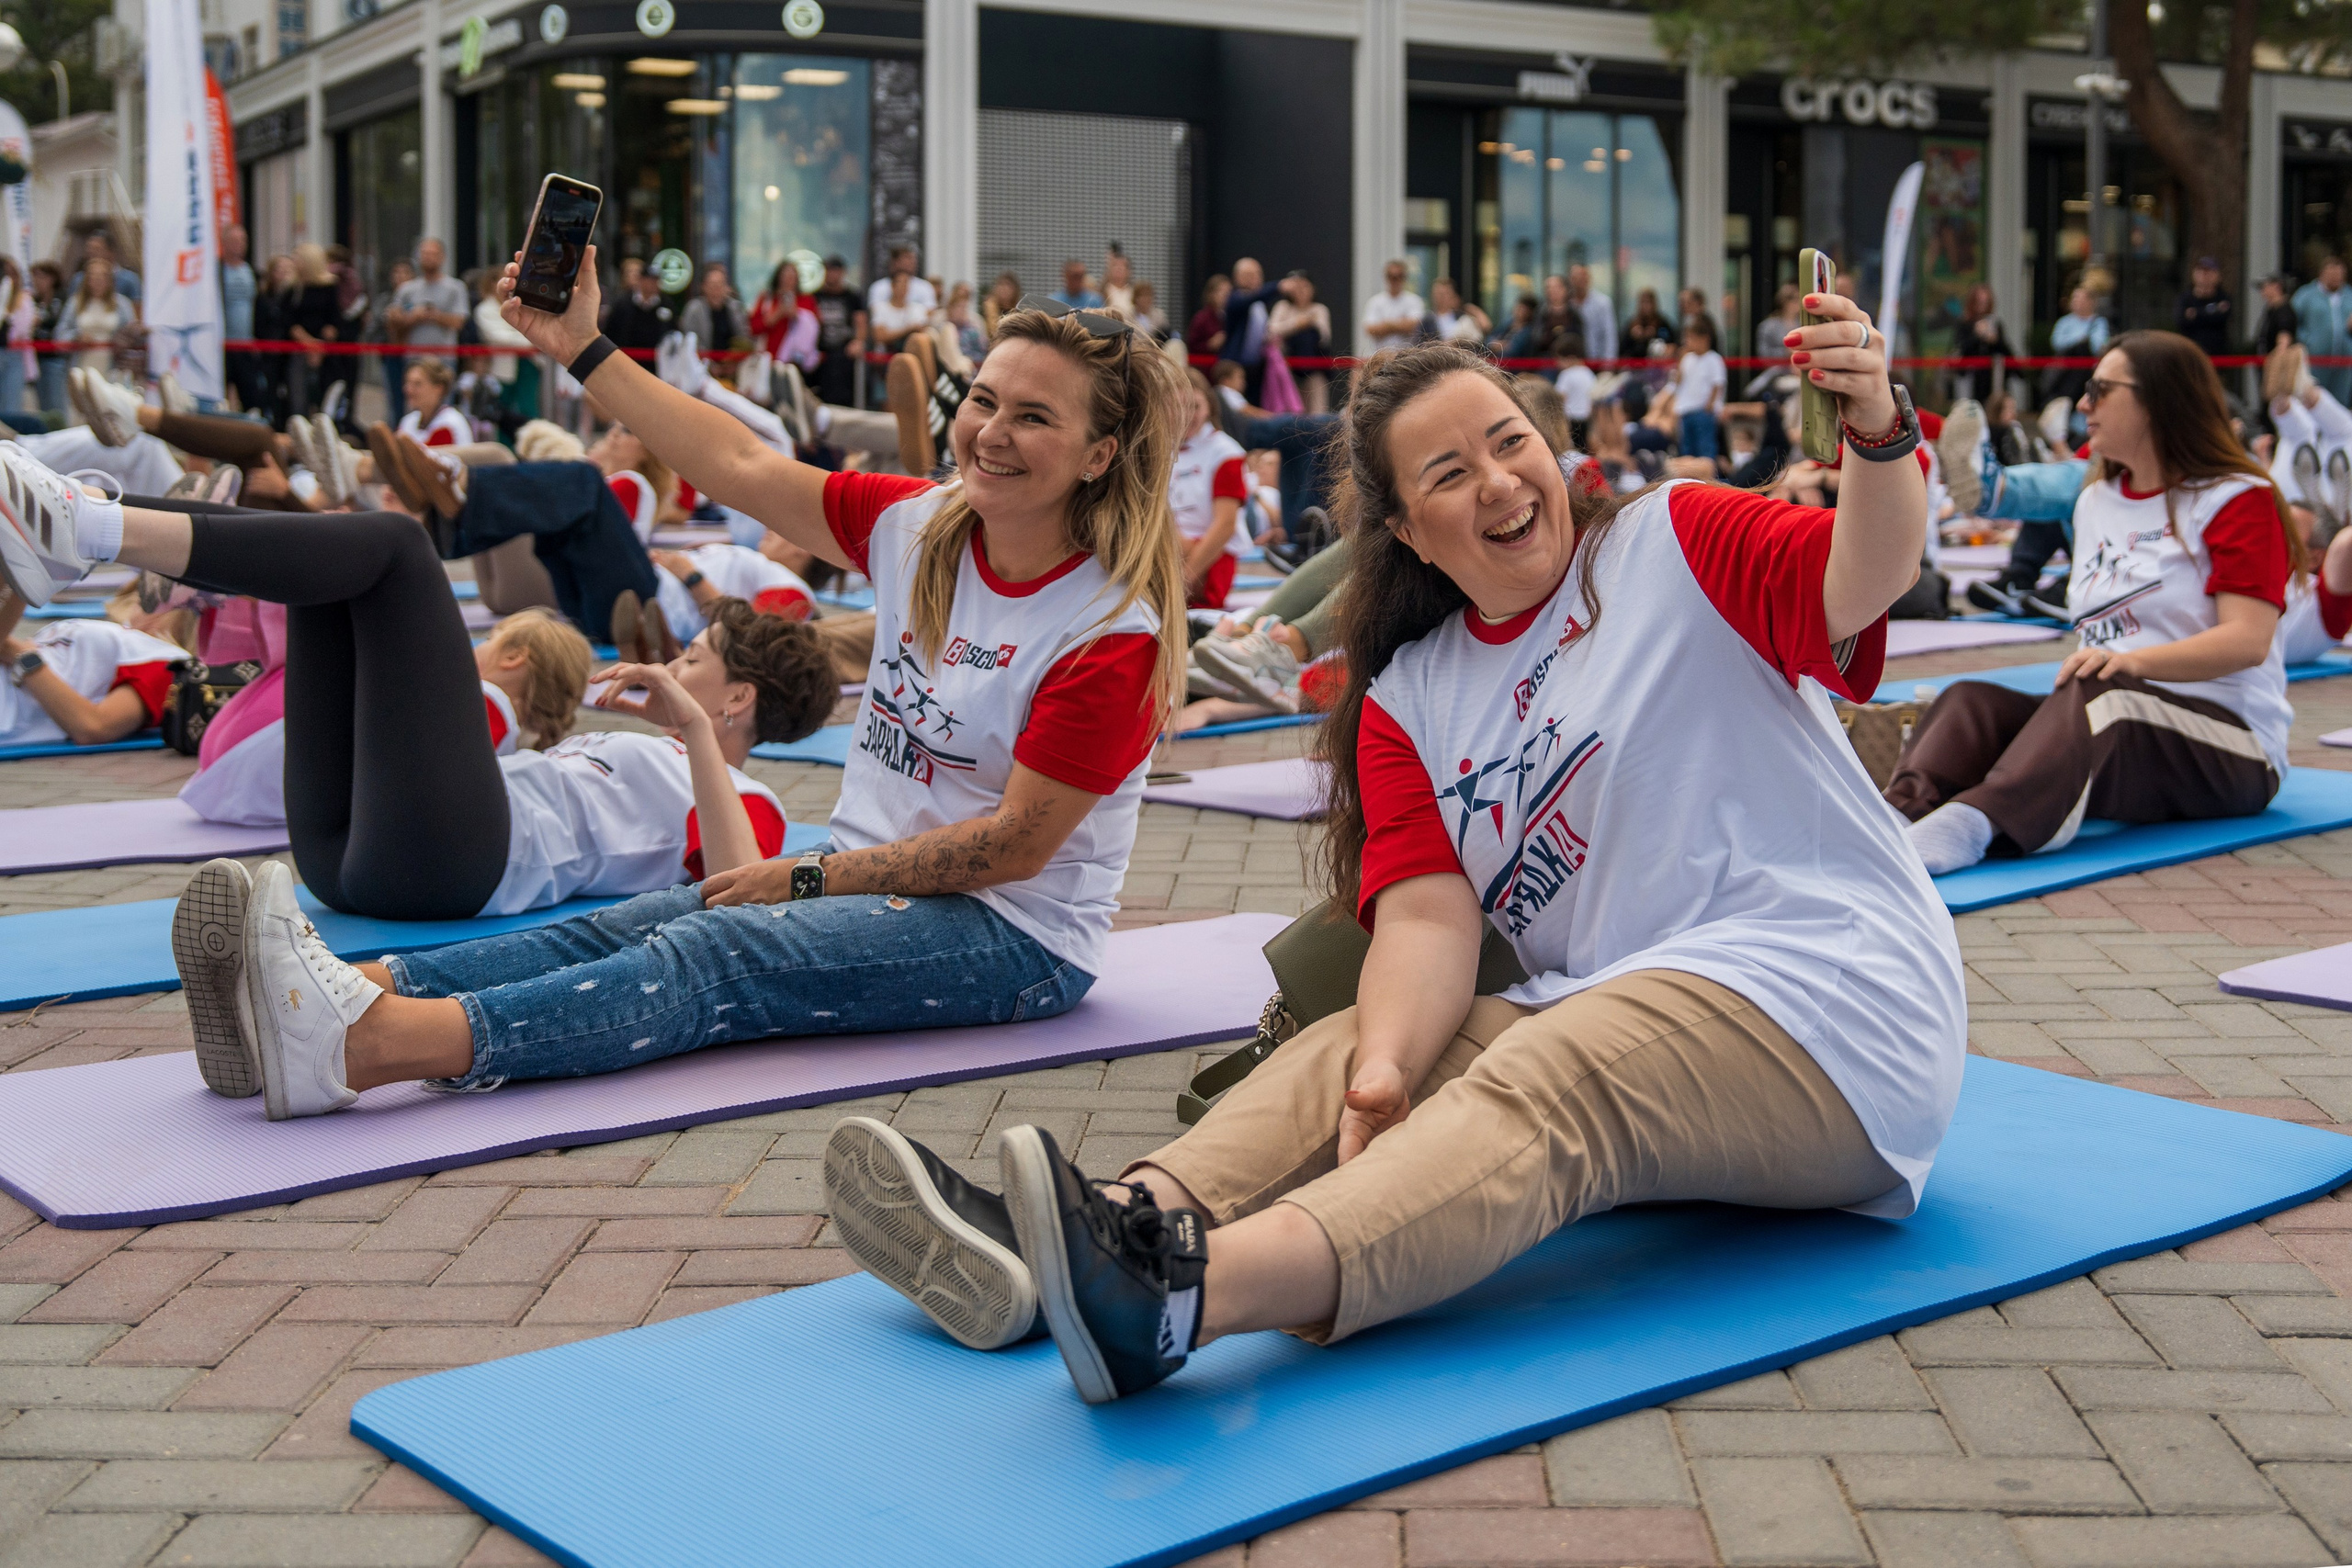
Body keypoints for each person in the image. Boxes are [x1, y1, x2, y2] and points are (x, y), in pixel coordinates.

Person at [821, 299, 1963, 1404]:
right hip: (1622, 1006)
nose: (1501, 483)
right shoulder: (1410, 698)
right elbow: (1425, 924)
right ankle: (1091, 1235)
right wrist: (1382, 1072)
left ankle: (1176, 1298)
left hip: (1832, 1000)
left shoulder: (1674, 542)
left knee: (1547, 1081)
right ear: (1407, 529)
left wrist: (1875, 428)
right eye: (1449, 474)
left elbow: (1862, 576)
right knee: (1343, 1048)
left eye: (1509, 444)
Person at [0, 266, 1194, 1125]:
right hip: (870, 879)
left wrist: (811, 870)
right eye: (983, 398)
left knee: (711, 959)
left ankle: (369, 1048)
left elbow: (1012, 846)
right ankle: (346, 990)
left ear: (1099, 454)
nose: (988, 429)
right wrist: (579, 345)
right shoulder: (920, 523)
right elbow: (732, 461)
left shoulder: (1107, 632)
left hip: (1013, 940)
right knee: (623, 924)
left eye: (1033, 415)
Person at [1888, 331, 2306, 876]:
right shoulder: (2094, 501)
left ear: (2159, 401)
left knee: (2101, 692)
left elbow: (2248, 641)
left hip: (2230, 746)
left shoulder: (2234, 498)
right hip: (2115, 717)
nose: (2084, 403)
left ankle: (1974, 824)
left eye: (2100, 389)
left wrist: (2132, 663)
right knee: (1969, 701)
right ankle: (1894, 821)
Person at [183, 604, 593, 830]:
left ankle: (227, 585)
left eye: (490, 639)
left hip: (253, 766)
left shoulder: (488, 703)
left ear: (513, 657)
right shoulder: (487, 714)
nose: (477, 645)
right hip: (250, 768)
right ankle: (224, 589)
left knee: (328, 630)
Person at [0, 593, 186, 749]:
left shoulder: (166, 662)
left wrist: (23, 657)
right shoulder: (134, 641)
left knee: (17, 563)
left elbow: (95, 727)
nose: (137, 599)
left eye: (152, 595)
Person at [1171, 368, 1250, 609]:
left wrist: (1181, 581)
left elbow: (1224, 527)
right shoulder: (1162, 450)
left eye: (1194, 406)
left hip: (1211, 561)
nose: (1187, 415)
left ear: (1209, 407)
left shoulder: (1225, 452)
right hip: (1172, 553)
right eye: (1178, 406)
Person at [284, 244, 343, 418]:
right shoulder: (293, 289)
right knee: (298, 396)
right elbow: (288, 321)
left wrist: (320, 347)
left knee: (323, 395)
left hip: (325, 350)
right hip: (299, 348)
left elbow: (335, 319)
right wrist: (309, 343)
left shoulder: (329, 286)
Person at [1269, 272, 1333, 414]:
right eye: (1297, 287)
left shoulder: (1319, 309)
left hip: (1315, 368)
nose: (1301, 291)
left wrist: (1306, 326)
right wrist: (1298, 324)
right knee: (1292, 413)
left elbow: (1324, 337)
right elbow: (1272, 330)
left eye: (1305, 286)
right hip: (1288, 368)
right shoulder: (1283, 307)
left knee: (1317, 414)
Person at [2294, 257, 2352, 404]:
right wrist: (2307, 340)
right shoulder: (2306, 295)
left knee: (2340, 402)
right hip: (2315, 361)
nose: (2336, 279)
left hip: (2344, 361)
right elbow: (2292, 321)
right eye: (2332, 275)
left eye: (2339, 275)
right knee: (2314, 400)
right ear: (2322, 274)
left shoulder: (2349, 295)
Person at [2047, 286, 2111, 419]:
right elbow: (2056, 343)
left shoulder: (2099, 323)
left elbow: (2100, 346)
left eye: (2080, 299)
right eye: (2074, 298)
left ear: (2090, 302)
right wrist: (2079, 339)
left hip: (2087, 375)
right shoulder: (2064, 322)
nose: (2076, 302)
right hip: (2067, 377)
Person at [1668, 318, 1726, 460]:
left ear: (1705, 339)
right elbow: (1678, 381)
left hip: (1703, 412)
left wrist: (1710, 406)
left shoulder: (1714, 359)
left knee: (1705, 450)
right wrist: (1680, 360)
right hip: (1686, 411)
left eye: (1692, 338)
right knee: (1687, 450)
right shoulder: (1687, 359)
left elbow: (1717, 384)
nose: (1688, 342)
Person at [219, 226, 263, 415]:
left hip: (245, 343)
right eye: (235, 241)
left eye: (243, 240)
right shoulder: (218, 271)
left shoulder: (249, 271)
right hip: (223, 344)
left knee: (250, 394)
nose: (240, 245)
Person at [65, 256, 130, 379]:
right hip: (81, 364)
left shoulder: (122, 304)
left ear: (110, 280)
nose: (98, 281)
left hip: (111, 367)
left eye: (102, 276)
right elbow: (61, 333)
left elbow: (129, 333)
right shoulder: (75, 303)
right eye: (93, 276)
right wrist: (76, 337)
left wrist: (119, 341)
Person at [867, 244, 936, 357]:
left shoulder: (920, 297)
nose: (912, 262)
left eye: (906, 285)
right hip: (891, 349)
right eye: (907, 258)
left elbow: (927, 321)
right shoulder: (879, 291)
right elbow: (879, 334)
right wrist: (907, 329)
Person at [1951, 284, 2015, 403]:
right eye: (1979, 302)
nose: (1982, 306)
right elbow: (1960, 349)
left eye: (1985, 302)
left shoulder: (1996, 324)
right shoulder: (1964, 323)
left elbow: (2007, 352)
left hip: (1991, 378)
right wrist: (1977, 335)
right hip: (1969, 378)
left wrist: (1994, 340)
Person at [750, 260, 818, 371]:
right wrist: (776, 315)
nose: (788, 281)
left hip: (796, 360)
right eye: (785, 276)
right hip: (769, 358)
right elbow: (753, 328)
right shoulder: (767, 300)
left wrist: (798, 316)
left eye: (792, 277)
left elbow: (814, 329)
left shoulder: (806, 300)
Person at [395, 358, 472, 448]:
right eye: (407, 383)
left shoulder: (452, 423)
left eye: (417, 384)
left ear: (439, 388)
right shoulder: (408, 421)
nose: (409, 390)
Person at [606, 264, 677, 356]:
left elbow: (673, 332)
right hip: (627, 359)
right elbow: (612, 332)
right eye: (649, 280)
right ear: (641, 280)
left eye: (655, 281)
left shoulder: (666, 304)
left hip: (658, 362)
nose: (652, 284)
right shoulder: (623, 304)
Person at [2176, 257, 2233, 360]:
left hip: (2217, 355)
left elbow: (2221, 319)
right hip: (2191, 354)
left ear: (2218, 276)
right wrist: (2212, 311)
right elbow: (2181, 321)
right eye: (2200, 271)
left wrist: (2196, 314)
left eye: (2209, 272)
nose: (2204, 276)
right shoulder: (2185, 299)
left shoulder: (2223, 298)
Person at [29, 263, 67, 416]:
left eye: (41, 277)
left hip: (54, 357)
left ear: (52, 278)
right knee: (43, 405)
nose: (37, 282)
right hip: (37, 357)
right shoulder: (34, 300)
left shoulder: (60, 298)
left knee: (56, 404)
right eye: (34, 277)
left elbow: (55, 322)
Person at [680, 264, 744, 354]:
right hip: (701, 363)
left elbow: (744, 337)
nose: (716, 290)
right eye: (712, 285)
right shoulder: (694, 309)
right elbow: (689, 340)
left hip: (731, 363)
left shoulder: (735, 308)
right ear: (704, 287)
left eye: (720, 285)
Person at [1362, 260, 1423, 352]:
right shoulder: (1375, 302)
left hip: (1407, 357)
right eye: (1392, 277)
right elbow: (1370, 329)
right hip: (1381, 357)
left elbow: (1414, 327)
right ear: (1386, 278)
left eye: (1399, 276)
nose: (1395, 280)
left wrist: (1386, 325)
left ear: (1405, 278)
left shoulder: (1414, 301)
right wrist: (1401, 324)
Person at [1566, 264, 1615, 366]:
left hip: (1597, 360)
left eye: (1583, 277)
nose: (1580, 281)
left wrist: (1609, 363)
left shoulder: (1602, 303)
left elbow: (1609, 334)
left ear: (1589, 279)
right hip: (1573, 361)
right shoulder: (1567, 304)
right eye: (1576, 277)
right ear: (1570, 280)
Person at [1420, 278, 1487, 344]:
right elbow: (1419, 343)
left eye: (1445, 293)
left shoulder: (1463, 317)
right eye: (1438, 293)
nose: (1441, 297)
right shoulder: (1427, 320)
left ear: (1453, 295)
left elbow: (1485, 328)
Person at [1620, 288, 1670, 367]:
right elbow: (1622, 350)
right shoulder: (1632, 324)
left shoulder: (1662, 323)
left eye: (1648, 302)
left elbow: (1671, 345)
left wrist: (1655, 335)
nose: (1646, 306)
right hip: (1634, 367)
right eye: (1643, 302)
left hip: (1657, 367)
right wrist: (1632, 336)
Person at [2255, 275, 2300, 358]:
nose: (2262, 291)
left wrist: (2276, 364)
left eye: (2265, 287)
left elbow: (2284, 341)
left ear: (2277, 287)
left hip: (2276, 364)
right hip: (2266, 362)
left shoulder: (2284, 312)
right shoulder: (2271, 310)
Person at [981, 272, 1023, 340]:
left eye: (1008, 285)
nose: (1004, 289)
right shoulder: (989, 308)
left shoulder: (1019, 311)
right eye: (1001, 285)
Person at [1100, 247, 1136, 321]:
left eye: (1122, 266)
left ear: (1129, 271)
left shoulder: (1134, 292)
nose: (1119, 269)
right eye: (1115, 266)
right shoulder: (1103, 292)